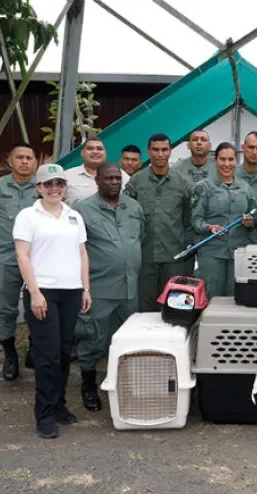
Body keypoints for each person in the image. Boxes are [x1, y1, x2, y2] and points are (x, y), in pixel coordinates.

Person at [13, 164, 92, 439]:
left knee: (62, 352)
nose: (54, 188)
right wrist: (34, 292)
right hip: (43, 291)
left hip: (71, 291)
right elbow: (23, 256)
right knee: (46, 356)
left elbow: (82, 254)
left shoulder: (73, 216)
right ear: (38, 188)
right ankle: (44, 415)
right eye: (48, 184)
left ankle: (58, 405)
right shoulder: (28, 216)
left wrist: (85, 289)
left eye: (59, 183)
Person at [73, 162, 145, 411]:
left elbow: (139, 238)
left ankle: (122, 383)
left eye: (117, 178)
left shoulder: (133, 207)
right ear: (97, 181)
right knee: (93, 337)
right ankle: (89, 384)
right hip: (100, 288)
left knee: (127, 340)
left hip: (129, 287)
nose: (114, 182)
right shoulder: (82, 210)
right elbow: (75, 249)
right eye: (109, 178)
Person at [0, 142, 39, 381]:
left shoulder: (43, 189)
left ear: (35, 163)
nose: (24, 162)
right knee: (5, 307)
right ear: (10, 161)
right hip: (6, 257)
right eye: (20, 157)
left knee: (40, 306)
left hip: (38, 260)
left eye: (29, 158)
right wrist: (3, 240)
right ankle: (10, 354)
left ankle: (34, 348)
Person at [124, 133, 193, 312]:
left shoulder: (182, 183)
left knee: (173, 306)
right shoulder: (136, 182)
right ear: (149, 151)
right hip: (145, 256)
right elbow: (126, 216)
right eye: (155, 150)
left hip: (174, 257)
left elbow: (188, 219)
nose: (160, 154)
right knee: (144, 307)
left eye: (164, 150)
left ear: (170, 151)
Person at [191, 142, 257, 298]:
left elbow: (254, 213)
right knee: (210, 297)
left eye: (231, 159)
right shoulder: (202, 187)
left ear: (236, 161)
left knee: (236, 298)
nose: (227, 164)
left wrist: (250, 221)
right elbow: (196, 220)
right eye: (222, 159)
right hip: (212, 253)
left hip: (238, 253)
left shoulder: (245, 188)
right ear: (216, 161)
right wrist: (209, 227)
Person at [63, 136, 131, 206]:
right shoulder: (67, 176)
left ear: (105, 153)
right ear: (82, 153)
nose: (95, 152)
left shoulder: (122, 176)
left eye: (99, 149)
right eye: (90, 149)